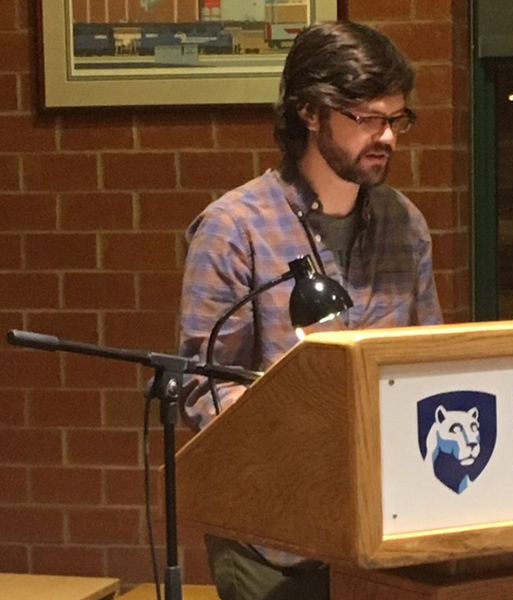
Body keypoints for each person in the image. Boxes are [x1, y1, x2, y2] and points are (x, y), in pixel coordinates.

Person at [177, 20, 443, 600]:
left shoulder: (405, 224)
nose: (388, 137)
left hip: (381, 528)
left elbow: (429, 364)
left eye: (396, 120)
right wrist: (290, 434)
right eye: (366, 119)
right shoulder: (234, 228)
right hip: (273, 541)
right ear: (309, 113)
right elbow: (200, 386)